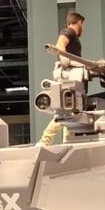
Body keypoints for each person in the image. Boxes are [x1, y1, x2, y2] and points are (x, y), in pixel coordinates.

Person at [39, 12, 85, 146]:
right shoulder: (69, 31)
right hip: (69, 79)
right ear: (79, 22)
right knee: (64, 112)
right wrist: (63, 57)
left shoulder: (72, 34)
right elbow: (60, 43)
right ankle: (44, 142)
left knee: (71, 114)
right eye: (83, 24)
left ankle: (68, 142)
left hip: (74, 79)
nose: (83, 27)